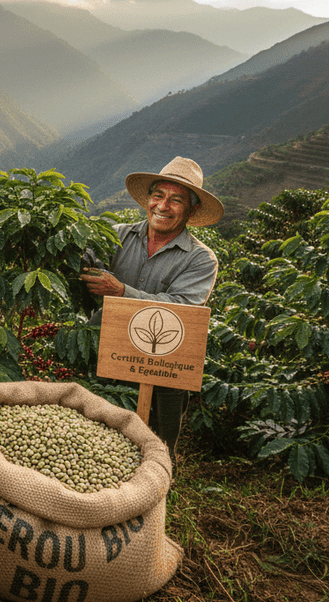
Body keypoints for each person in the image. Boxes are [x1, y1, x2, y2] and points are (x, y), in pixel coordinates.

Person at [80, 156, 223, 457]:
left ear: (192, 209)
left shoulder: (200, 259)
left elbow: (182, 308)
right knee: (97, 431)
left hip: (162, 362)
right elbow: (82, 264)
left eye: (176, 200)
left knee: (157, 442)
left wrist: (121, 291)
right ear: (147, 199)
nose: (163, 206)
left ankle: (157, 488)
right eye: (158, 196)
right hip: (107, 350)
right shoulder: (115, 235)